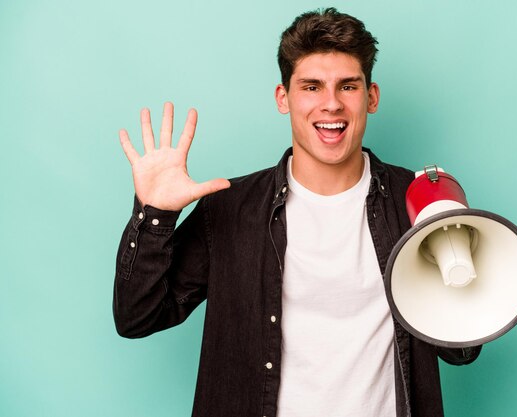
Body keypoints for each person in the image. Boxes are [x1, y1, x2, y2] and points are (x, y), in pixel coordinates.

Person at [114, 7, 481, 417]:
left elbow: (462, 351)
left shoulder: (414, 198)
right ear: (283, 98)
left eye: (348, 86)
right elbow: (137, 317)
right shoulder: (230, 206)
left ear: (371, 97)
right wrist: (156, 216)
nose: (331, 104)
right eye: (311, 87)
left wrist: (451, 243)